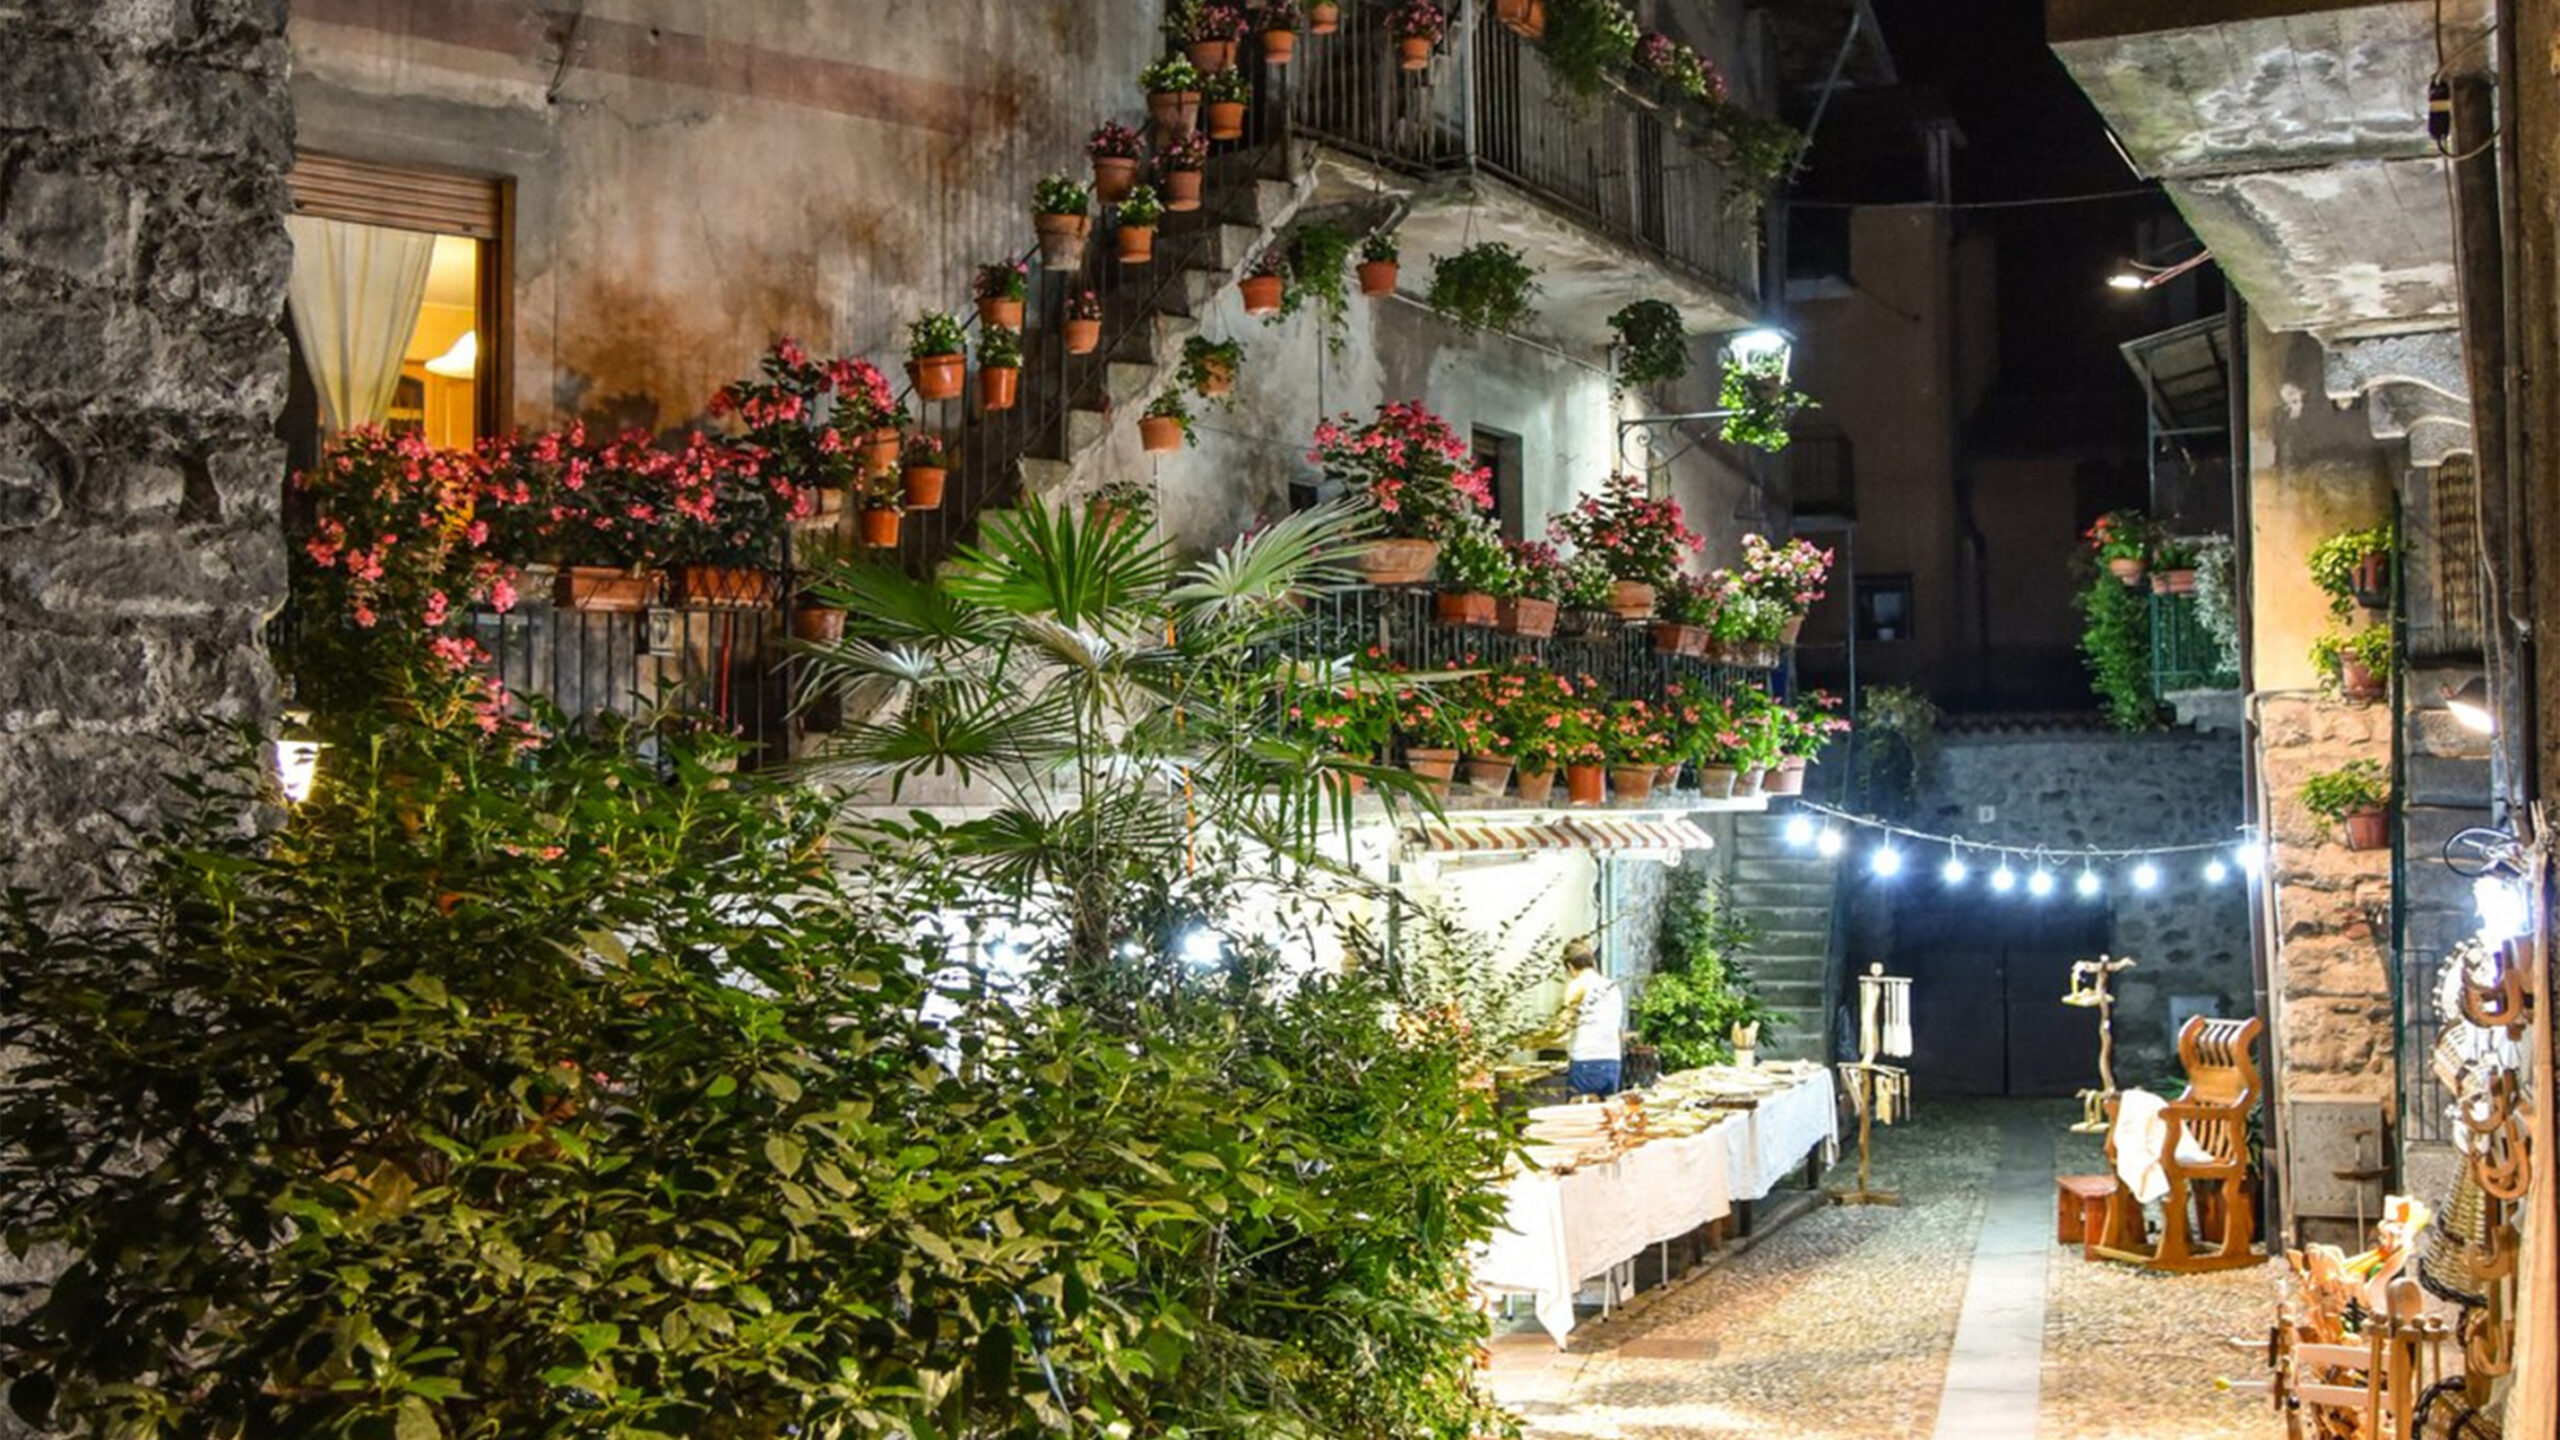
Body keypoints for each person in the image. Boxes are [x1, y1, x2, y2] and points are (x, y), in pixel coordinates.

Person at [1557, 940, 1625, 1098]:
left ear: (1570, 967)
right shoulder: (1613, 987)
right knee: (1606, 1118)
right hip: (1612, 1062)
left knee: (1579, 1118)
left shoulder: (1577, 985)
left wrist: (1531, 1041)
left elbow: (1561, 1026)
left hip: (1585, 1062)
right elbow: (1618, 1029)